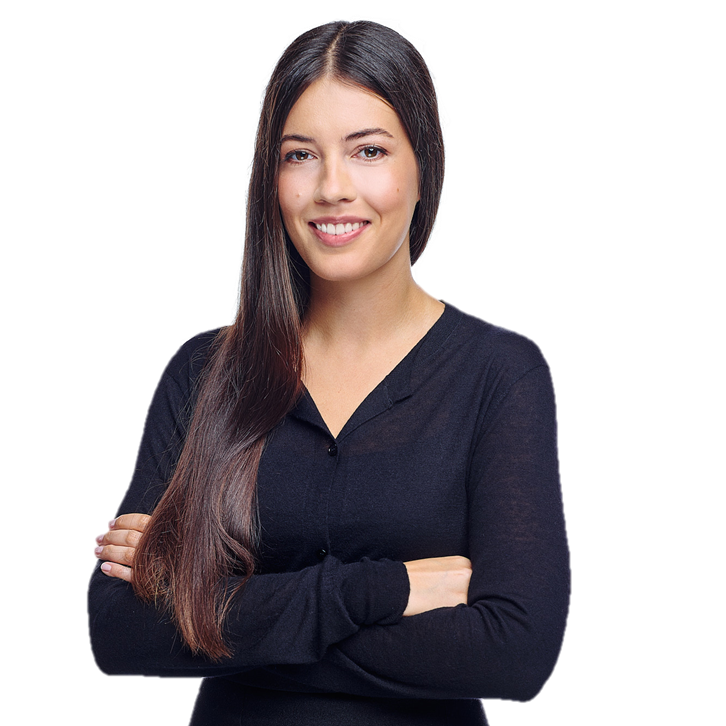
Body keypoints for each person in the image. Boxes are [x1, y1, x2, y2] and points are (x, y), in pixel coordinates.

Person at [86, 17, 570, 726]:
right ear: (271, 176)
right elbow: (120, 633)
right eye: (301, 155)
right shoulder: (203, 373)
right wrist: (387, 591)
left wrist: (217, 615)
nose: (332, 187)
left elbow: (515, 654)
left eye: (368, 150)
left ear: (424, 167)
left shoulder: (499, 373)